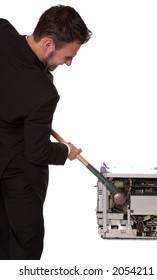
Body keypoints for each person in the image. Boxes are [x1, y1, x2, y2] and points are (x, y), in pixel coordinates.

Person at [0, 5, 92, 260]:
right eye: (68, 56)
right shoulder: (43, 94)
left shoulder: (2, 30)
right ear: (49, 43)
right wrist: (66, 151)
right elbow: (38, 150)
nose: (69, 63)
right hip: (19, 174)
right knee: (25, 247)